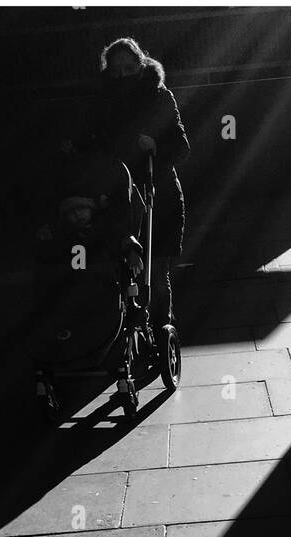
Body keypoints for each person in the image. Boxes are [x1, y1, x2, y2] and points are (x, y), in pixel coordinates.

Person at [89, 37, 190, 326]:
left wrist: (155, 145)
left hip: (158, 194)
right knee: (118, 269)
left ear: (141, 64)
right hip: (119, 195)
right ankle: (129, 328)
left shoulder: (159, 97)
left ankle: (160, 327)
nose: (122, 75)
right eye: (116, 69)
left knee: (156, 272)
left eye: (128, 68)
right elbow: (92, 139)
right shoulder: (101, 102)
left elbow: (182, 147)